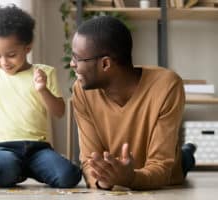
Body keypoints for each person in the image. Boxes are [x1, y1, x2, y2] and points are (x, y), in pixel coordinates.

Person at [0, 5, 81, 188]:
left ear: (27, 48)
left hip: (38, 149)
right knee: (4, 167)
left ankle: (23, 170)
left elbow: (59, 112)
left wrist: (42, 89)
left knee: (69, 176)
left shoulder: (45, 72)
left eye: (11, 55)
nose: (3, 62)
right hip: (2, 147)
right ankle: (10, 170)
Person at [70, 16, 196, 190]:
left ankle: (187, 152)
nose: (71, 64)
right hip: (121, 172)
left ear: (105, 63)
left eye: (77, 59)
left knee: (183, 159)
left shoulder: (167, 85)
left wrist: (131, 178)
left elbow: (161, 167)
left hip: (168, 171)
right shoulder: (81, 91)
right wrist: (103, 180)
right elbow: (89, 161)